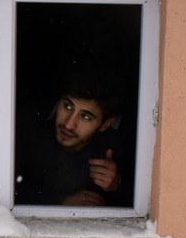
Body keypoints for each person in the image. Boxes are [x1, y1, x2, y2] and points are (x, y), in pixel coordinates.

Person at [15, 70, 133, 207]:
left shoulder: (119, 145)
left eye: (86, 117)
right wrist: (59, 203)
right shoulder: (31, 128)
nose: (68, 124)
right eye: (68, 106)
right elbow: (4, 192)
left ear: (105, 125)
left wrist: (117, 184)